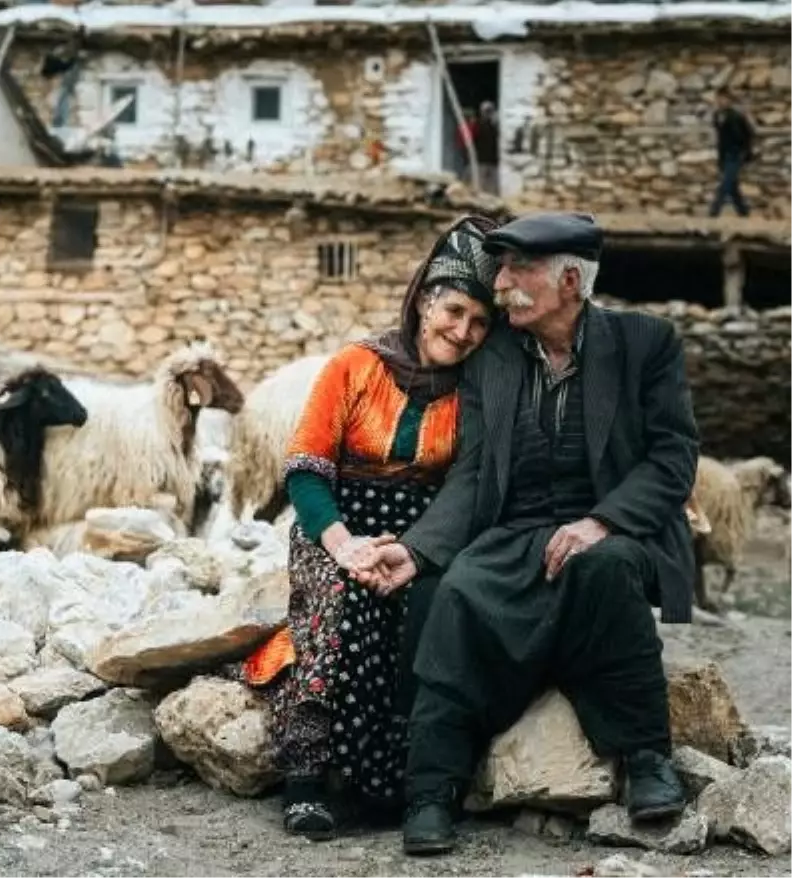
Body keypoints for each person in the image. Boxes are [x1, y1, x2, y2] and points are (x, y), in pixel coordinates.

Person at [353, 212, 700, 856]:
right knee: (454, 590)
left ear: (569, 281)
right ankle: (432, 790)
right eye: (501, 266)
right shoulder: (497, 358)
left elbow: (673, 458)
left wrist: (603, 521)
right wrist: (418, 547)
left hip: (613, 528)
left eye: (518, 269)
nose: (501, 282)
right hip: (514, 535)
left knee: (604, 569)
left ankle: (647, 758)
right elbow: (475, 468)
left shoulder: (646, 344)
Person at [239, 215, 502, 841]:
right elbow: (304, 470)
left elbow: (464, 485)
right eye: (454, 312)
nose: (462, 332)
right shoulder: (354, 365)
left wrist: (411, 550)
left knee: (424, 609)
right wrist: (343, 544)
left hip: (417, 533)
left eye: (479, 323)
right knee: (341, 599)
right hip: (335, 522)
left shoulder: (476, 392)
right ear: (423, 303)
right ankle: (306, 779)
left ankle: (385, 784)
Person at [709, 88, 755, 217]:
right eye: (719, 99)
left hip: (736, 154)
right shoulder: (717, 116)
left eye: (724, 99)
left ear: (729, 101)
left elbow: (748, 134)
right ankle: (743, 211)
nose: (721, 102)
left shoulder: (736, 116)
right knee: (732, 185)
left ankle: (714, 212)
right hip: (724, 154)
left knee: (725, 183)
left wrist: (745, 151)